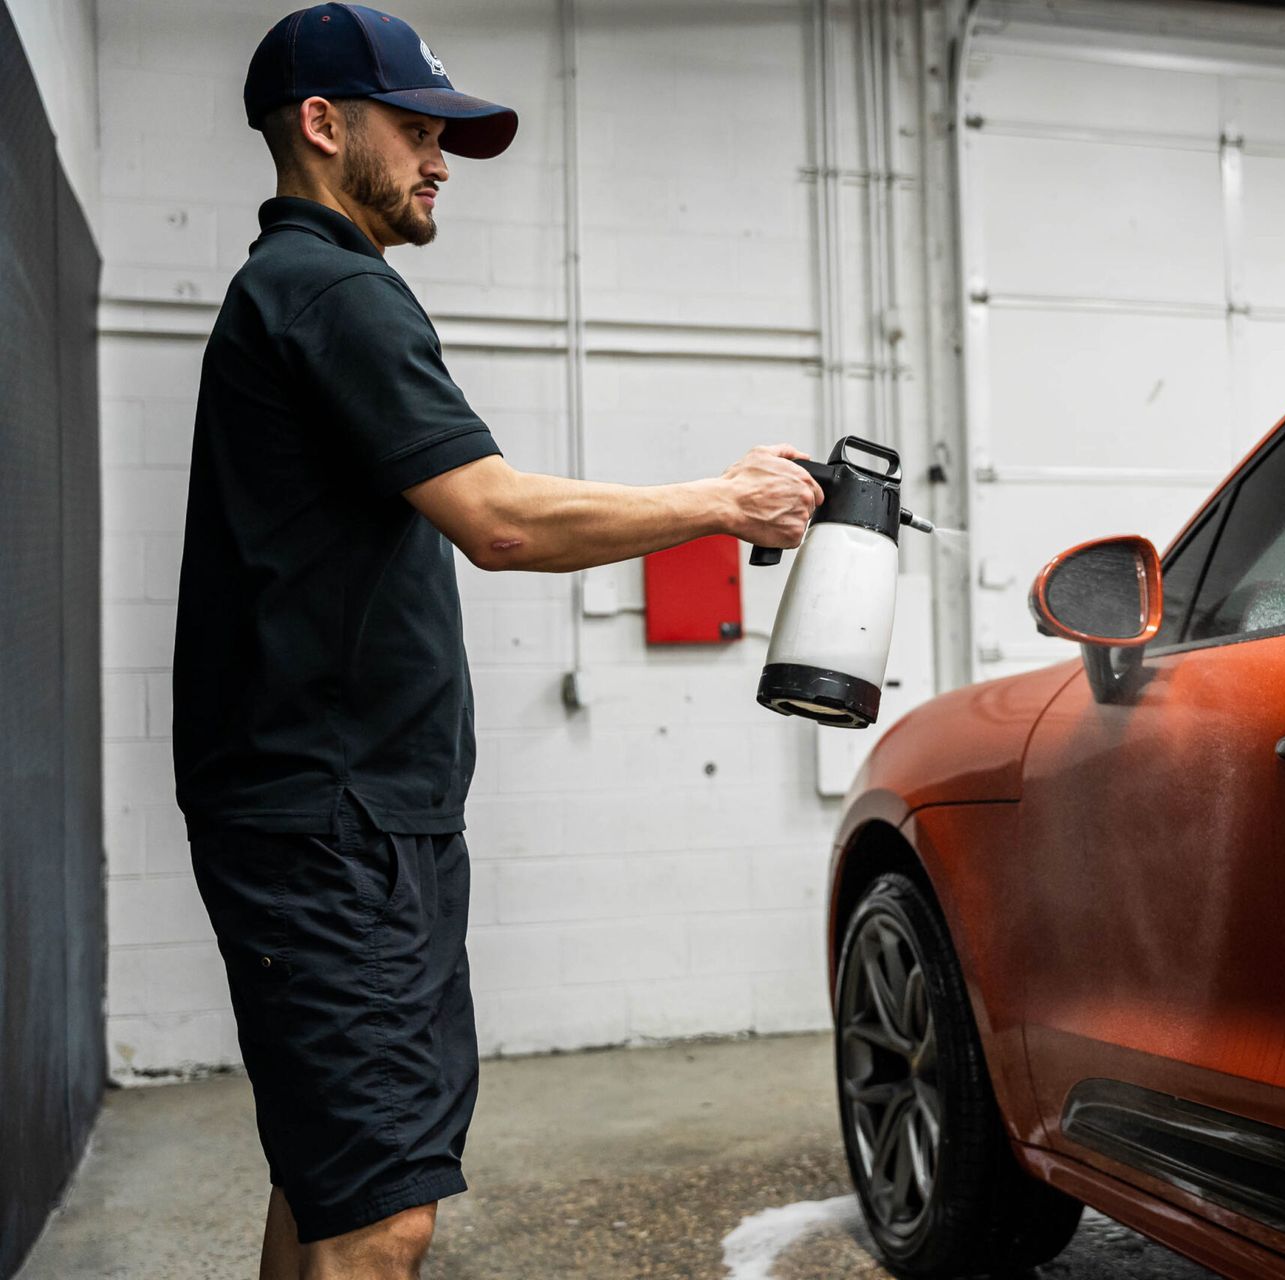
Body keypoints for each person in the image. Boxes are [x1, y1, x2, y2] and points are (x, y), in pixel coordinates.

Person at [172, 6, 823, 1277]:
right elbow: (500, 519)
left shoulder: (298, 289)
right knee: (382, 1213)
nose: (438, 159)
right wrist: (723, 502)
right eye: (414, 129)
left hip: (344, 806)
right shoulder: (333, 287)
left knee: (330, 1178)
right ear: (321, 123)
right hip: (332, 816)